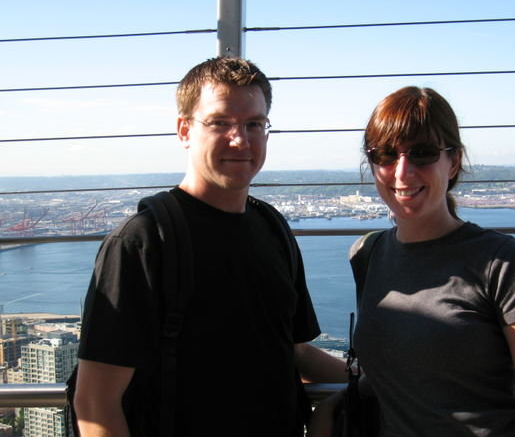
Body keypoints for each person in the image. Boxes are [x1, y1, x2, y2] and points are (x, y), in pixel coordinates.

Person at [73, 57, 347, 437]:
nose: (241, 139)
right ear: (185, 130)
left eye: (254, 123)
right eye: (220, 122)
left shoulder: (272, 227)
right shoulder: (143, 240)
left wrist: (380, 384)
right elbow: (95, 403)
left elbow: (294, 350)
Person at [310, 86, 515, 437]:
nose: (402, 172)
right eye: (386, 154)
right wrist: (333, 406)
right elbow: (396, 371)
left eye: (422, 153)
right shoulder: (367, 254)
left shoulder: (501, 262)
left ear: (454, 162)